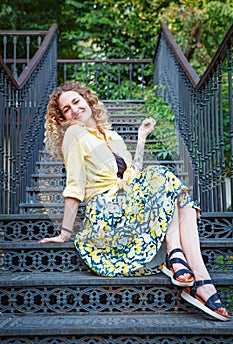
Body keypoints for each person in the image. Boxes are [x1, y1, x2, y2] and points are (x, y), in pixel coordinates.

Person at [40, 81, 230, 322]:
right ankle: (184, 265)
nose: (74, 109)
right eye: (66, 109)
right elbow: (74, 185)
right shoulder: (75, 135)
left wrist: (141, 139)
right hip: (107, 214)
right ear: (63, 117)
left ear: (87, 100)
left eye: (76, 101)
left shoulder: (112, 136)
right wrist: (65, 232)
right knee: (169, 185)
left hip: (129, 206)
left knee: (180, 198)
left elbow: (134, 176)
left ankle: (198, 278)